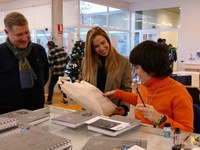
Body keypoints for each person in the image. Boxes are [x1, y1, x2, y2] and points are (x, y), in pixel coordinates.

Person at [104, 40, 194, 132]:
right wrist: (118, 94)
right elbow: (140, 101)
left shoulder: (178, 92)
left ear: (150, 68)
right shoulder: (145, 84)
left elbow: (187, 131)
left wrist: (160, 119)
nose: (135, 72)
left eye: (137, 67)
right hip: (142, 135)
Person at [0, 12, 49, 114]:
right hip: (7, 115)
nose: (25, 38)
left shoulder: (39, 50)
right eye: (19, 34)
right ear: (6, 32)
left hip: (38, 112)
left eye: (27, 32)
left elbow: (44, 77)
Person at [81, 26, 132, 116]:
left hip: (114, 113)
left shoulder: (123, 62)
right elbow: (83, 85)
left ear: (108, 40)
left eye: (103, 42)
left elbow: (126, 89)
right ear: (92, 49)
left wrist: (124, 108)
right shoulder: (86, 62)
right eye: (96, 46)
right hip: (91, 112)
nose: (102, 48)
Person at [46, 41, 69, 105]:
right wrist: (63, 65)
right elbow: (68, 59)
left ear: (49, 46)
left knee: (51, 86)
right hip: (62, 71)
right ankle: (65, 99)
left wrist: (52, 68)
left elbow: (49, 63)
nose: (47, 47)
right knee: (61, 85)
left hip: (55, 72)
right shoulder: (62, 50)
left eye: (47, 46)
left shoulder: (51, 52)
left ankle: (49, 100)